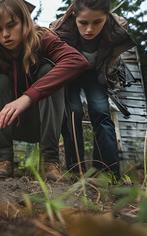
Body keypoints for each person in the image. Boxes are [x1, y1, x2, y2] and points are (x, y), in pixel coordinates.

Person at [0, 0, 89, 180]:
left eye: (11, 25)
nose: (5, 34)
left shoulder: (42, 39)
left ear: (24, 22)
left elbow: (77, 61)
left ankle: (50, 161)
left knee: (48, 71)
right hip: (10, 124)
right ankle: (4, 160)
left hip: (45, 123)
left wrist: (28, 97)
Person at [50, 0, 136, 179]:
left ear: (106, 17)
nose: (89, 29)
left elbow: (113, 61)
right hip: (70, 74)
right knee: (73, 112)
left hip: (96, 75)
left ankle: (108, 173)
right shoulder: (59, 30)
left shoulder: (117, 28)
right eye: (83, 23)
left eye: (97, 22)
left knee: (101, 112)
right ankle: (76, 171)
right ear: (74, 16)